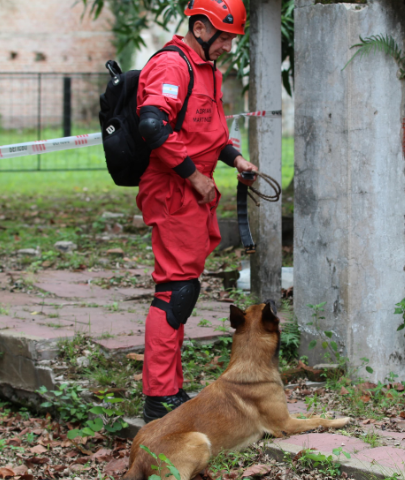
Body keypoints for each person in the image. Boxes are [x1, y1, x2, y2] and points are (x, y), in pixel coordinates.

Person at [135, 0, 258, 422]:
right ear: (201, 27)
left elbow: (204, 131)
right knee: (175, 291)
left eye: (231, 39)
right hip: (174, 189)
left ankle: (170, 388)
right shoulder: (172, 65)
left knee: (183, 288)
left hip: (195, 188)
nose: (228, 45)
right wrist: (193, 175)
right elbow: (152, 125)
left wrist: (234, 158)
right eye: (224, 37)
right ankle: (159, 398)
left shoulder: (207, 69)